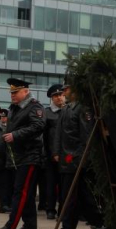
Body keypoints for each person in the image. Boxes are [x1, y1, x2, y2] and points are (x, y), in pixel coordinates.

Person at [51, 83, 105, 229]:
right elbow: (59, 134)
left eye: (67, 89)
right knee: (82, 196)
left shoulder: (82, 109)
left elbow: (86, 137)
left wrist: (81, 158)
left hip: (75, 160)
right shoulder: (67, 108)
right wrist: (56, 152)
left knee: (70, 197)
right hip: (65, 160)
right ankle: (101, 224)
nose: (64, 92)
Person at [0, 78, 45, 229]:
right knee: (27, 193)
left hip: (29, 155)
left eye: (15, 92)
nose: (12, 95)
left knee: (20, 192)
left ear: (26, 91)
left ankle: (11, 225)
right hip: (17, 156)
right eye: (11, 92)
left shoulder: (34, 106)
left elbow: (38, 126)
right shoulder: (14, 108)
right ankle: (30, 225)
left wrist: (15, 135)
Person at [43, 84, 66, 220]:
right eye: (56, 96)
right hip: (51, 154)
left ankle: (63, 210)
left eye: (61, 95)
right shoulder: (47, 113)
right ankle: (50, 209)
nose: (59, 98)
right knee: (51, 184)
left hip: (67, 153)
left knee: (65, 184)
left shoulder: (68, 110)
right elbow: (44, 136)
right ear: (51, 98)